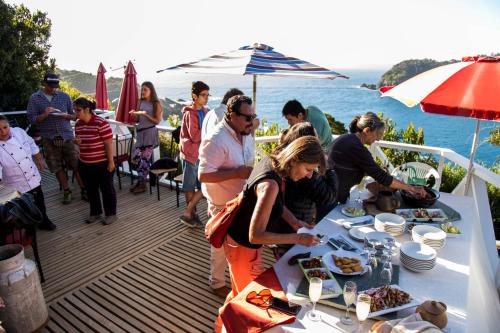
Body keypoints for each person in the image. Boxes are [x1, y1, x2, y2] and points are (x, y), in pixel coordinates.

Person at [224, 136, 324, 296]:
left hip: (239, 242)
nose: (309, 176)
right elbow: (255, 236)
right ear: (295, 159)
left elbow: (273, 203)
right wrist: (298, 238)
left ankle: (222, 320)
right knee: (248, 298)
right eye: (308, 169)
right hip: (242, 246)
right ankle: (224, 320)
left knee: (240, 291)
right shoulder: (270, 185)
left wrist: (294, 221)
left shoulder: (272, 161)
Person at [198, 95, 256, 298]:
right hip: (222, 202)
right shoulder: (216, 139)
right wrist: (237, 173)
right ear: (231, 116)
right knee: (220, 243)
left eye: (253, 116)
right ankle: (216, 283)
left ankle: (238, 278)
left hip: (241, 199)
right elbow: (203, 175)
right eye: (248, 118)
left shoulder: (245, 132)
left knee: (236, 243)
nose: (252, 122)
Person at [270, 123, 338, 258]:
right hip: (289, 234)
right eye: (314, 142)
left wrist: (294, 221)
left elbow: (276, 203)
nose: (310, 174)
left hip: (289, 225)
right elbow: (329, 196)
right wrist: (329, 168)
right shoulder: (300, 171)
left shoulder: (284, 162)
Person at [328, 112, 427, 203]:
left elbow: (362, 167)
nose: (378, 139)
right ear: (367, 131)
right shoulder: (356, 147)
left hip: (329, 190)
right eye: (377, 134)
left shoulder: (347, 138)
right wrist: (411, 188)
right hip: (333, 197)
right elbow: (382, 177)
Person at [26, 72, 86, 205]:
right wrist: (45, 114)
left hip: (67, 136)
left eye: (55, 86)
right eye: (51, 86)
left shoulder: (64, 96)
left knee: (76, 164)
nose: (54, 88)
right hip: (48, 139)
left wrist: (66, 116)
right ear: (44, 84)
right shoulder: (35, 98)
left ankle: (84, 190)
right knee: (56, 167)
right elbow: (31, 119)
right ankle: (67, 191)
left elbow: (75, 115)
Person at [0, 115, 56, 230]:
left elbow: (31, 144)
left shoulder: (19, 132)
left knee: (40, 200)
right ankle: (29, 228)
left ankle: (44, 220)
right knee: (22, 206)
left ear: (9, 125)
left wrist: (39, 159)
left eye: (5, 127)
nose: (3, 132)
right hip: (14, 182)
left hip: (32, 175)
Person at [73, 98, 117, 225]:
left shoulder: (101, 123)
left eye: (78, 110)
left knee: (107, 189)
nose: (76, 113)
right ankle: (95, 212)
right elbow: (79, 139)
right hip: (85, 162)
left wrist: (111, 162)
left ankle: (111, 214)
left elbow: (108, 144)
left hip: (102, 163)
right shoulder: (78, 124)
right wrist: (77, 142)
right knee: (91, 190)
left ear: (87, 110)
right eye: (75, 110)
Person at [179, 81, 209, 226]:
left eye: (208, 95)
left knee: (203, 186)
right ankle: (192, 214)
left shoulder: (204, 111)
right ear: (194, 96)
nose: (206, 98)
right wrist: (209, 131)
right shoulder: (190, 114)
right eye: (204, 95)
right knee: (190, 187)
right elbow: (195, 136)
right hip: (191, 154)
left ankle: (189, 212)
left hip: (200, 155)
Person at [129, 82, 163, 194]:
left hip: (150, 134)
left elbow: (157, 121)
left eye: (145, 90)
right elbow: (139, 119)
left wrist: (145, 115)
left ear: (151, 91)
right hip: (140, 133)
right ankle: (144, 180)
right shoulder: (140, 101)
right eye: (142, 89)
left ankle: (142, 184)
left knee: (144, 161)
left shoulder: (156, 104)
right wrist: (135, 114)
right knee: (136, 157)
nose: (143, 92)